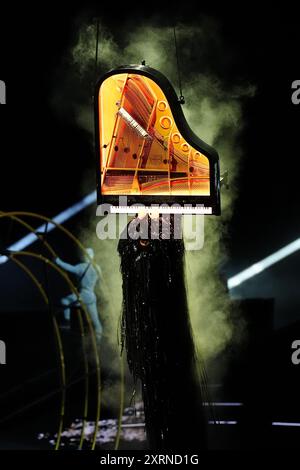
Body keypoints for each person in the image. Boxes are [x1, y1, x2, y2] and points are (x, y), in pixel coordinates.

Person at [54, 248, 103, 342]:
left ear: (85, 256)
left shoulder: (82, 267)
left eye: (84, 255)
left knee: (64, 301)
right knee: (96, 321)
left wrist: (58, 261)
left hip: (84, 296)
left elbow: (69, 268)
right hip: (91, 297)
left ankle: (67, 322)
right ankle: (99, 340)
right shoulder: (97, 267)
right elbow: (100, 281)